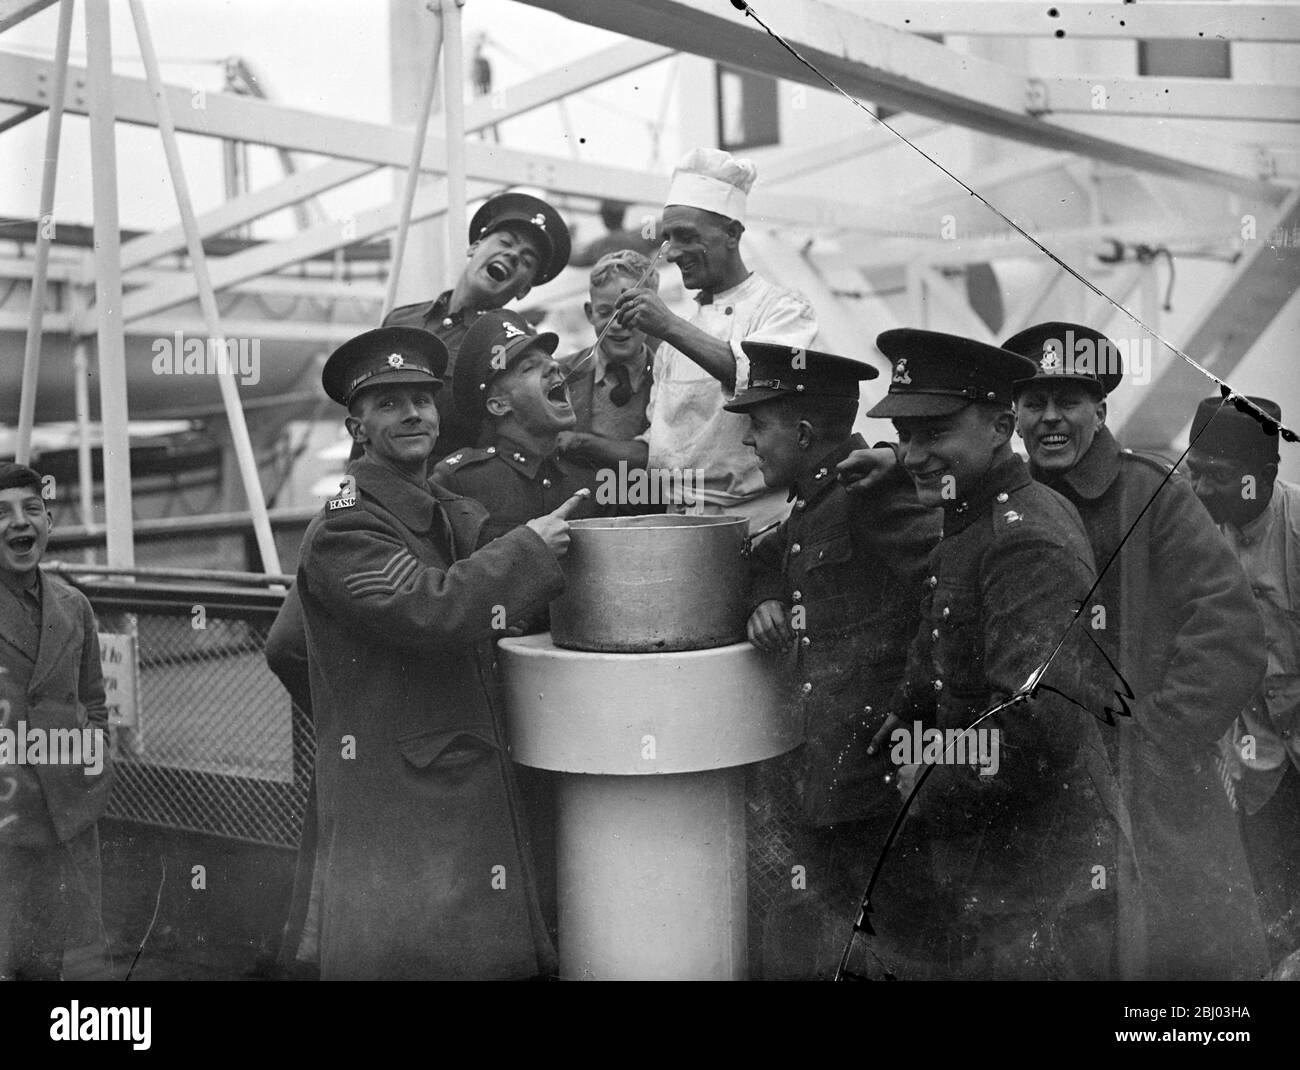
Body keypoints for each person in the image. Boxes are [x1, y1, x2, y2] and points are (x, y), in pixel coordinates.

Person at [294, 324, 586, 979]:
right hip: (404, 799)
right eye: (389, 403)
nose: (412, 414)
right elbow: (428, 608)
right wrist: (532, 551)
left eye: (422, 400)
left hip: (448, 785)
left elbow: (293, 642)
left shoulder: (439, 509)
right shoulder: (345, 523)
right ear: (356, 428)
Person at [1000, 324, 1269, 981]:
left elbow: (1229, 628)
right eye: (1035, 404)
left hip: (1150, 779)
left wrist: (1162, 736)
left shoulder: (1151, 492)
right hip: (1047, 779)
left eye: (1069, 400)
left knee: (1176, 961)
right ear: (1013, 416)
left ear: (1101, 410)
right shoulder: (1006, 503)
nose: (1051, 419)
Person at [858, 329, 1116, 981]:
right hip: (990, 856)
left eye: (933, 433)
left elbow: (1037, 723)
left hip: (1039, 877)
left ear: (1002, 426)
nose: (912, 455)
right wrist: (903, 713)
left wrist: (931, 778)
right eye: (906, 436)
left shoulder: (1026, 540)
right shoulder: (972, 513)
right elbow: (941, 628)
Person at [726, 342, 941, 979]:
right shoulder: (816, 499)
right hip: (834, 775)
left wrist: (915, 709)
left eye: (757, 427)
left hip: (875, 778)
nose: (748, 444)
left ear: (803, 430)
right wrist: (765, 597)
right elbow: (770, 557)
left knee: (899, 942)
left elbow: (950, 592)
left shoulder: (867, 493)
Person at [612, 147, 818, 529]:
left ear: (732, 233)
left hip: (756, 524)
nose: (672, 252)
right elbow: (662, 442)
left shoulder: (785, 309)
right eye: (668, 237)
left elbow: (760, 378)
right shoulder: (677, 337)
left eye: (687, 237)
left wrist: (669, 326)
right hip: (679, 521)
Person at [1187, 394, 1299, 966]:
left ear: (1267, 474)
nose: (1202, 490)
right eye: (1193, 471)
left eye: (1220, 477)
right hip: (1257, 767)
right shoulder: (1191, 531)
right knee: (1269, 913)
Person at [0, 462, 114, 980]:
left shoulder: (75, 606)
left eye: (31, 510)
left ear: (49, 522)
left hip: (64, 816)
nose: (18, 523)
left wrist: (91, 767)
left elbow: (93, 701)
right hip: (7, 815)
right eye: (1, 512)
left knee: (55, 957)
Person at [384, 191, 571, 461]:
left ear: (524, 290)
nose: (513, 255)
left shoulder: (517, 350)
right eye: (506, 242)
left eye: (527, 261)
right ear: (474, 247)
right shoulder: (400, 320)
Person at [433, 309, 600, 542]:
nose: (554, 367)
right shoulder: (460, 483)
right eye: (529, 368)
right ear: (499, 405)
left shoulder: (587, 477)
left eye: (551, 362)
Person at [555, 249, 660, 473]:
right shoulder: (560, 374)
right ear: (589, 312)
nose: (617, 324)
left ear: (654, 311)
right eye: (605, 313)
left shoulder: (668, 377)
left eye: (629, 310)